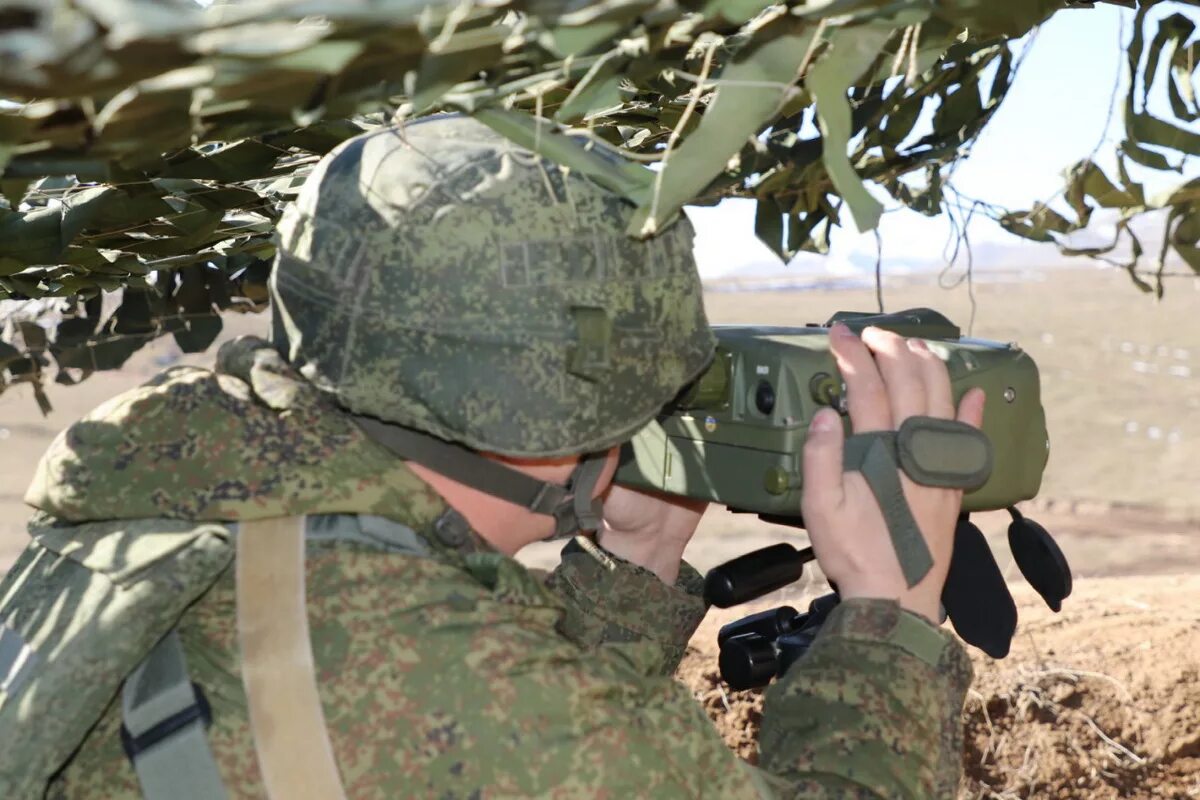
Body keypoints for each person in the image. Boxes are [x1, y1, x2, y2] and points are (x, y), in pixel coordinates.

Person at [3, 115, 983, 799]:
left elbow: (448, 739)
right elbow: (471, 715)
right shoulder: (437, 668)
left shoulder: (194, 468)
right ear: (547, 412)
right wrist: (891, 619)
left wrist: (633, 576)